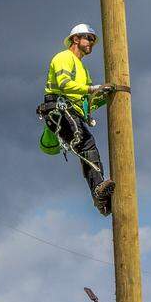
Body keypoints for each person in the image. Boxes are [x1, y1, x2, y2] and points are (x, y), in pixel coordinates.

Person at [38, 23, 118, 216]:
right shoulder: (63, 58)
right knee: (85, 143)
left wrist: (104, 96)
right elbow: (65, 85)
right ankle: (98, 190)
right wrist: (93, 89)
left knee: (88, 146)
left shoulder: (83, 69)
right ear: (75, 39)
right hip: (58, 107)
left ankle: (101, 198)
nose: (91, 42)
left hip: (71, 111)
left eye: (92, 40)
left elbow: (85, 101)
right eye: (88, 38)